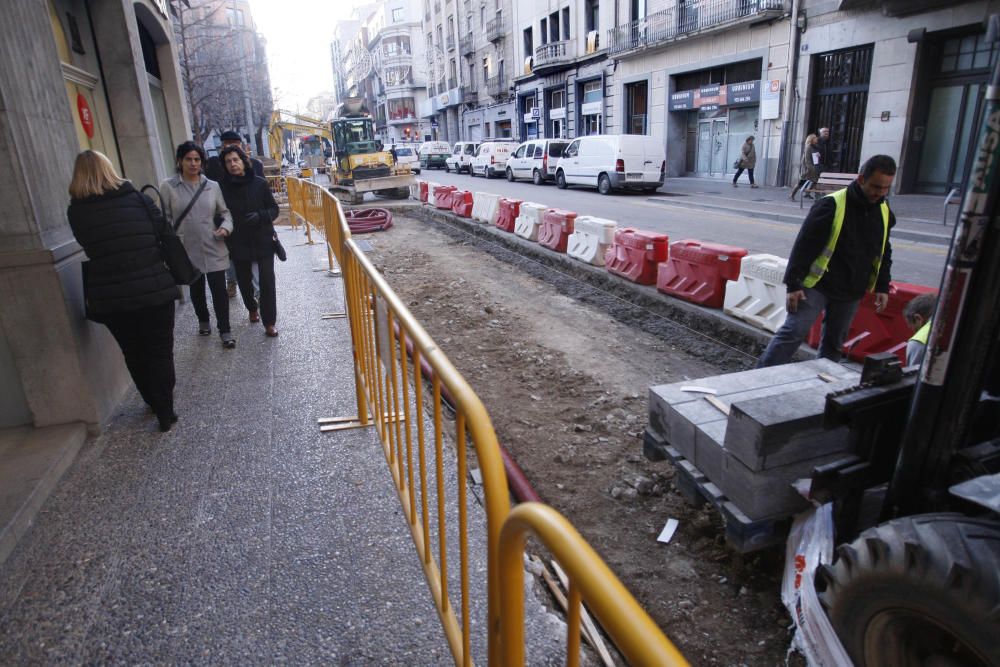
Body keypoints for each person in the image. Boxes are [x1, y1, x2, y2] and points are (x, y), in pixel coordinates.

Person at [67, 150, 180, 432]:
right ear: (109, 169)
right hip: (153, 288)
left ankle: (153, 402)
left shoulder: (76, 211)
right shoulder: (138, 200)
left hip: (111, 297)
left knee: (133, 352)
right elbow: (163, 232)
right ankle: (165, 411)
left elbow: (86, 243)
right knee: (160, 351)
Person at [757, 154, 897, 368]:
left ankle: (822, 385)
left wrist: (882, 285)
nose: (880, 193)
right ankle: (759, 378)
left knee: (834, 344)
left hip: (851, 289)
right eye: (875, 186)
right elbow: (804, 246)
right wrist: (793, 284)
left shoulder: (884, 210)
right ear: (861, 179)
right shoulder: (831, 205)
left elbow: (884, 250)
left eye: (885, 188)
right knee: (793, 332)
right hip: (818, 285)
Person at [160, 141, 236, 348]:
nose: (193, 164)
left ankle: (225, 331)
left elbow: (225, 213)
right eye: (189, 159)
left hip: (213, 244)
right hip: (186, 248)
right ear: (180, 161)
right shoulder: (168, 187)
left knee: (219, 291)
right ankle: (203, 320)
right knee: (196, 289)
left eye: (197, 159)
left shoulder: (212, 186)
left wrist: (226, 228)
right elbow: (164, 220)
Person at [218, 145, 281, 337]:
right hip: (238, 242)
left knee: (267, 282)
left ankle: (269, 322)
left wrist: (261, 216)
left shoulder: (259, 183)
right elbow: (218, 213)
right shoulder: (221, 188)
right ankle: (252, 308)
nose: (233, 164)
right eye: (228, 161)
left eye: (235, 160)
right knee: (244, 281)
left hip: (263, 239)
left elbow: (274, 209)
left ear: (243, 161)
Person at [903, 292, 936, 367]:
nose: (914, 332)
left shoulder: (917, 342)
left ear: (918, 318)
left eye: (913, 328)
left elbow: (915, 377)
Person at [789, 133, 822, 200]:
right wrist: (811, 168)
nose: (817, 139)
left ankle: (808, 194)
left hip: (814, 167)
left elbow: (814, 156)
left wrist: (818, 155)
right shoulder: (808, 147)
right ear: (811, 139)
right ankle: (792, 195)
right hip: (808, 168)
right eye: (815, 138)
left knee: (815, 182)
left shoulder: (815, 147)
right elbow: (807, 160)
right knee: (801, 182)